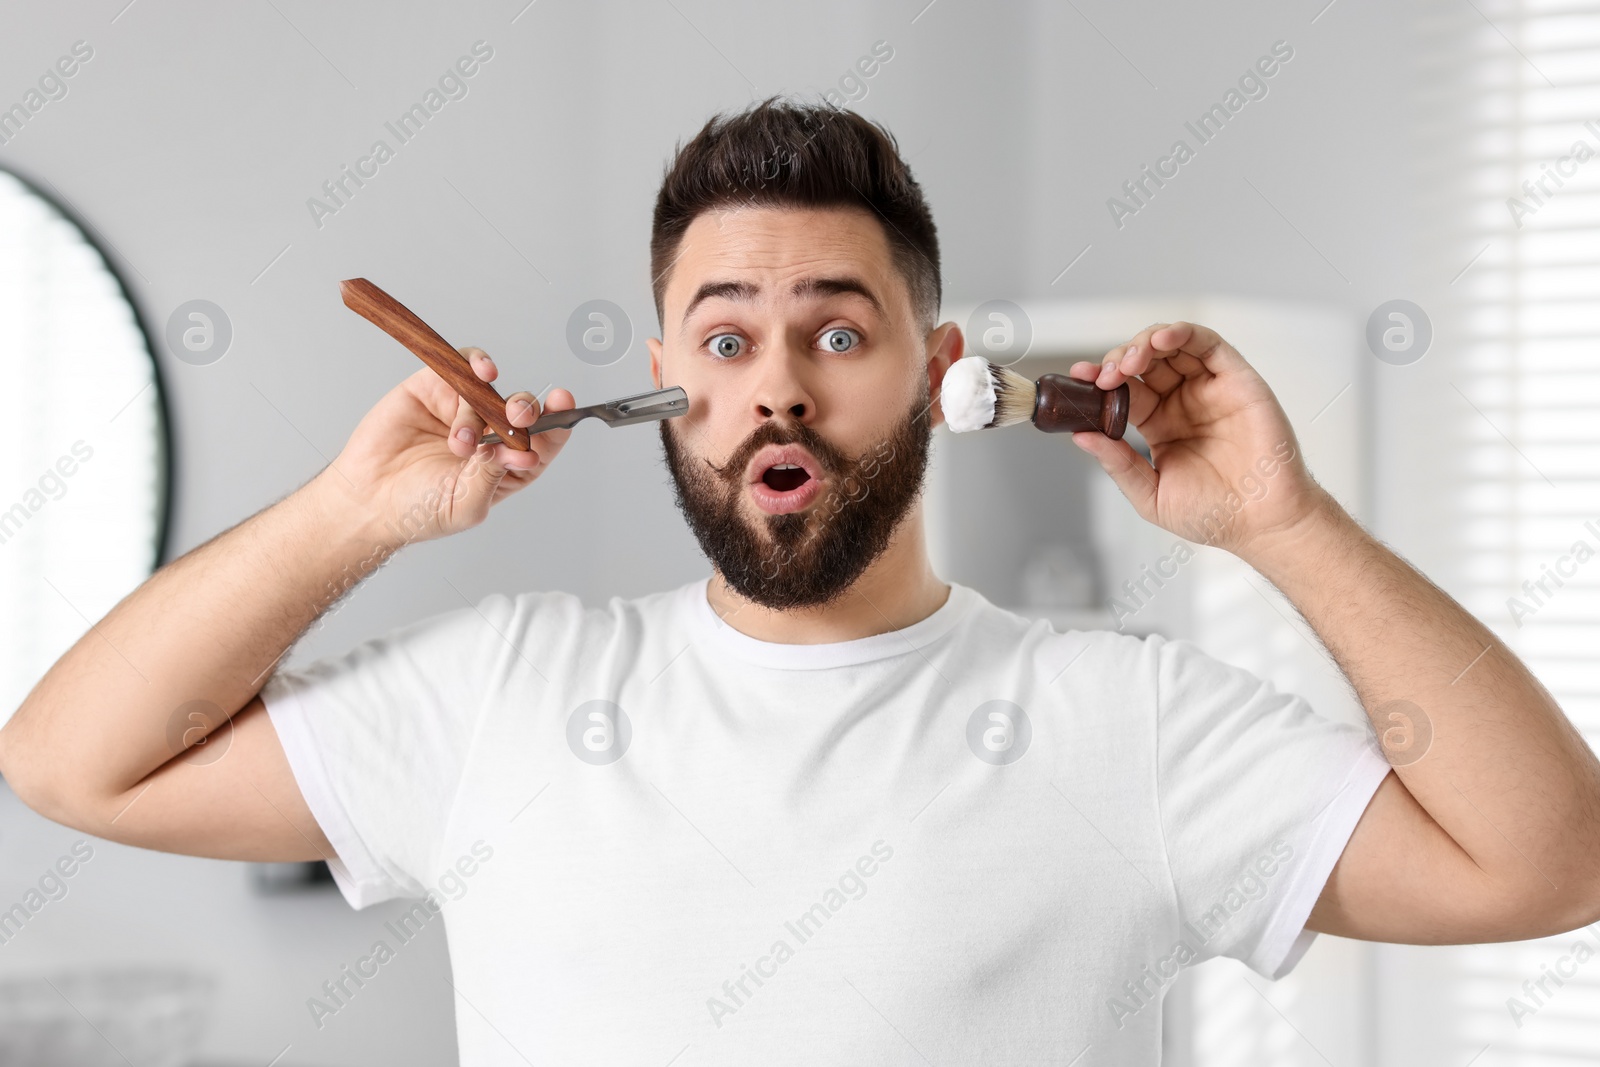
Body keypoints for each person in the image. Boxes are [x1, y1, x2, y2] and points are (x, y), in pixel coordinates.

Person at [3, 97, 1597, 1065]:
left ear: (938, 372)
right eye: (724, 338)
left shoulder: (1126, 721)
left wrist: (1284, 523)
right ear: (661, 382)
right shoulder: (499, 693)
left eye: (838, 333)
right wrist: (356, 515)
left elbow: (1552, 866)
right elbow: (66, 759)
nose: (777, 386)